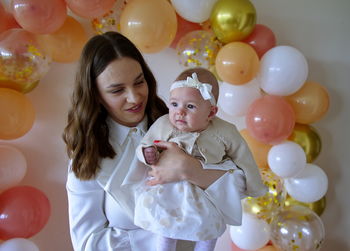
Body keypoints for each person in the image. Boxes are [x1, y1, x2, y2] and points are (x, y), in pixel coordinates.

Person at [63, 31, 266, 251]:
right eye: (117, 90)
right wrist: (161, 233)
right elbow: (86, 243)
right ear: (96, 95)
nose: (134, 97)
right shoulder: (88, 155)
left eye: (139, 82)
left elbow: (242, 184)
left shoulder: (184, 125)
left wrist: (194, 171)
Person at [133, 68, 267, 251]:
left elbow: (244, 157)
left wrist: (255, 186)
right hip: (169, 189)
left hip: (206, 194)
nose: (179, 112)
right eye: (174, 104)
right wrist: (147, 153)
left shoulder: (225, 131)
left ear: (211, 113)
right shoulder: (164, 123)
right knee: (165, 226)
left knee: (210, 227)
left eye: (190, 106)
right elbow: (146, 143)